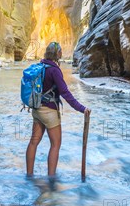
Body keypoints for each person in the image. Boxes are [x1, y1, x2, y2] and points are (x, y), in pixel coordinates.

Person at [25, 41, 91, 178]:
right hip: (49, 112)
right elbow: (65, 93)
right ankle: (51, 179)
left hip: (37, 110)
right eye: (60, 51)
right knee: (55, 145)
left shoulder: (41, 66)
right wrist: (82, 108)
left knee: (33, 142)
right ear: (58, 53)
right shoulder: (54, 70)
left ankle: (29, 175)